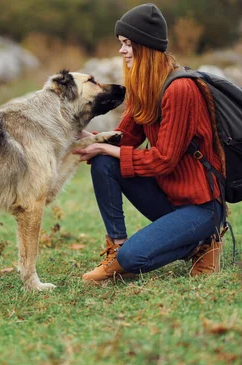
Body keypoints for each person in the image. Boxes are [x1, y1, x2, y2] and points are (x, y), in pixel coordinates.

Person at [74, 3, 226, 281]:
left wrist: (105, 146)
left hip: (201, 206)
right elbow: (122, 139)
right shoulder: (145, 86)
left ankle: (205, 241)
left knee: (134, 259)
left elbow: (164, 159)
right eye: (121, 43)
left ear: (145, 45)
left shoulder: (180, 89)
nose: (121, 50)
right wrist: (87, 139)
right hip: (169, 197)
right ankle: (116, 249)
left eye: (128, 44)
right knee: (104, 161)